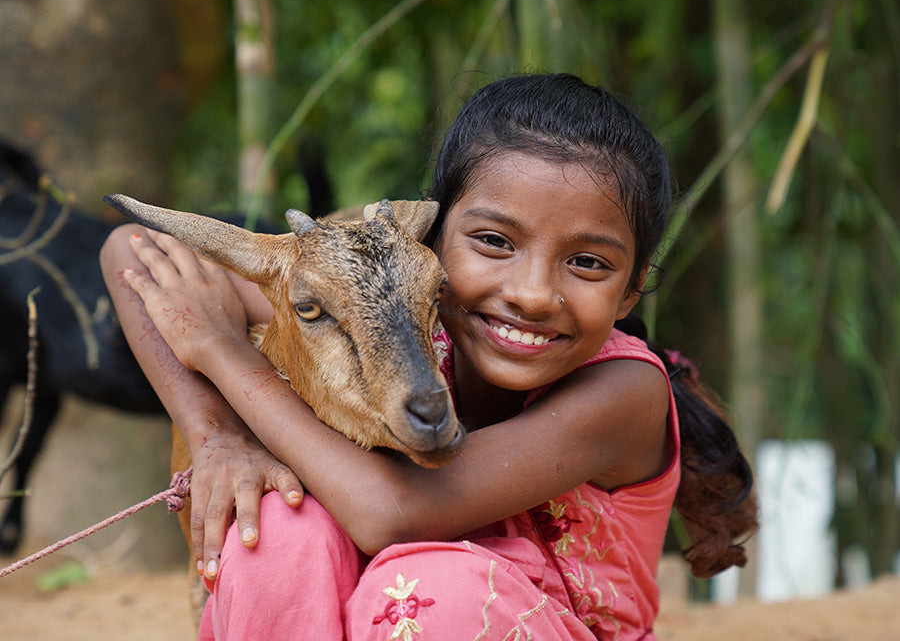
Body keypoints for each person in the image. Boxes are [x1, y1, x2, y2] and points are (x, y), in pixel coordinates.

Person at [100, 73, 757, 640]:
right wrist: (215, 438)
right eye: (495, 241)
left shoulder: (623, 393)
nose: (530, 295)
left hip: (472, 615)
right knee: (276, 528)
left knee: (432, 588)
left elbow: (392, 515)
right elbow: (133, 251)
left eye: (586, 262)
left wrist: (221, 354)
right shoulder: (399, 287)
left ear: (631, 289)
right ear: (434, 239)